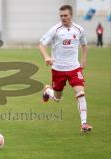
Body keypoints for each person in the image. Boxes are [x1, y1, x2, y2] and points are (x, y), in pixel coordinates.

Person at [39, 5, 92, 133]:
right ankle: (47, 91)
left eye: (65, 15)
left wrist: (83, 60)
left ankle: (84, 124)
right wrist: (46, 57)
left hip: (74, 68)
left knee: (80, 93)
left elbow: (84, 45)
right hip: (58, 69)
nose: (63, 18)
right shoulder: (55, 30)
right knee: (57, 98)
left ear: (71, 15)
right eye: (61, 16)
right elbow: (41, 44)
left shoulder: (79, 29)